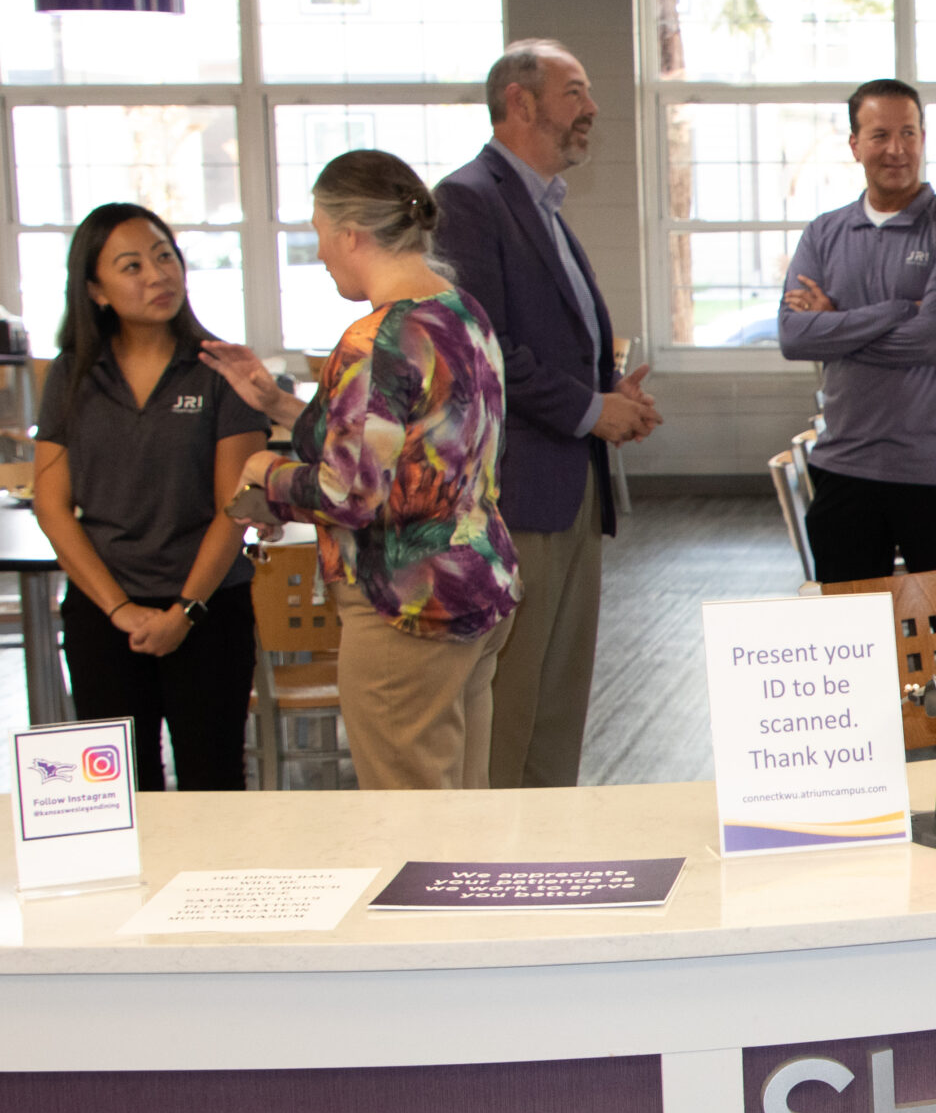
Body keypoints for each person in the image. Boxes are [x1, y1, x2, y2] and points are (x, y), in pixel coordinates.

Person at [204, 151, 518, 792]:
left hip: (405, 607)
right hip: (476, 583)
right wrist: (279, 407)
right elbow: (401, 441)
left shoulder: (375, 339)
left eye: (320, 232)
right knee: (466, 807)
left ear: (350, 234)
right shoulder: (460, 312)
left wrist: (266, 473)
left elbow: (351, 493)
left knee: (412, 818)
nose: (320, 253)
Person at [435, 39, 659, 790]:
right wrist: (592, 409)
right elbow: (485, 345)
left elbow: (552, 338)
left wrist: (613, 396)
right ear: (521, 103)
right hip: (519, 489)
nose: (592, 107)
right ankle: (504, 844)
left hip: (571, 480)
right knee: (514, 696)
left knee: (559, 696)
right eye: (575, 91)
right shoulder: (469, 199)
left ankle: (554, 833)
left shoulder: (543, 205)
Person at [28, 203, 265, 790]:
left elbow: (235, 507)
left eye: (164, 257)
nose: (158, 275)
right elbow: (52, 506)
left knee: (214, 785)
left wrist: (184, 611)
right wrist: (119, 609)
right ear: (96, 290)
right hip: (104, 612)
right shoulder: (72, 375)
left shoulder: (221, 369)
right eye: (131, 266)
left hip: (208, 610)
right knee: (118, 794)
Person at [777, 77, 936, 583]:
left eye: (908, 133)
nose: (896, 149)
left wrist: (835, 324)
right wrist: (896, 310)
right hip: (844, 468)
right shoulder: (823, 233)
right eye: (879, 135)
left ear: (922, 139)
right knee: (850, 629)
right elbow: (794, 337)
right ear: (855, 145)